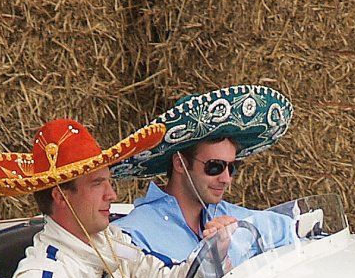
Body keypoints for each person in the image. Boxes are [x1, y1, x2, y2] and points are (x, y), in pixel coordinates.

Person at [0, 118, 224, 278]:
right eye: (96, 184)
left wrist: (213, 252)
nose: (111, 195)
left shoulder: (113, 242)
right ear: (61, 196)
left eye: (108, 182)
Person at [113, 85, 300, 265]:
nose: (226, 178)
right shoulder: (134, 233)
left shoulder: (231, 216)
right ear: (180, 163)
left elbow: (298, 229)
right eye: (215, 167)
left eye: (232, 167)